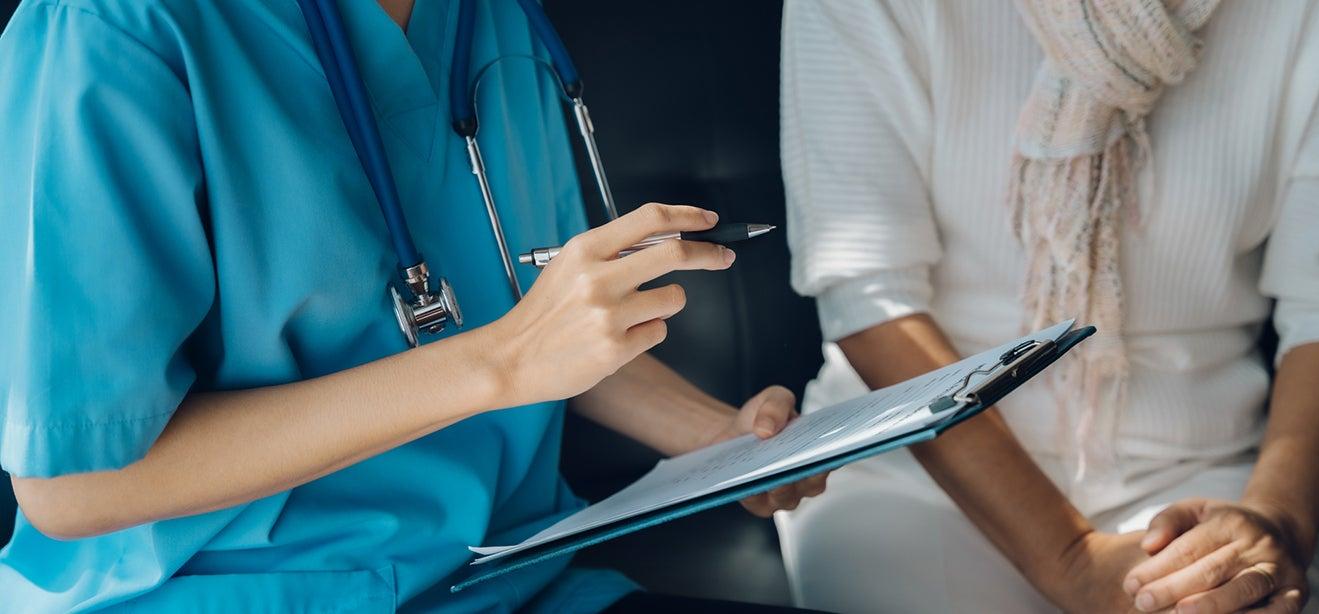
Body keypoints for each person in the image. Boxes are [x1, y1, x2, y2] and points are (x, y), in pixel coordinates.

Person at [0, 0, 829, 611]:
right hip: (229, 593)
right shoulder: (111, 28)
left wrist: (720, 441)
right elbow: (75, 488)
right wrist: (498, 363)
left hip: (505, 578)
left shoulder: (493, 21)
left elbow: (542, 325)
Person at [775, 0, 1319, 612]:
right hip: (911, 473)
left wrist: (1275, 515)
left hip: (1203, 475)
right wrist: (1073, 561)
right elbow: (869, 296)